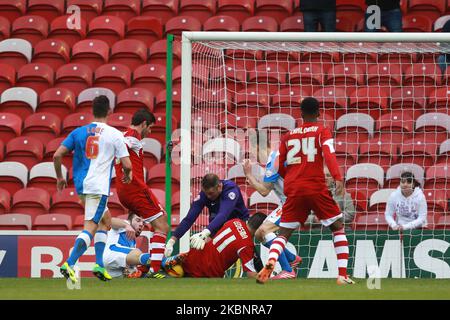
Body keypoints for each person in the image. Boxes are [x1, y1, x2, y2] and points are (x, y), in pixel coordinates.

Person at [257, 97, 355, 285]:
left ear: (301, 114)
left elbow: (279, 166)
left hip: (293, 189)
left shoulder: (288, 136)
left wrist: (293, 177)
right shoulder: (322, 131)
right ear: (318, 113)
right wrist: (337, 177)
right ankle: (342, 275)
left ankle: (271, 263)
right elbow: (329, 154)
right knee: (337, 227)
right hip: (315, 186)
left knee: (284, 234)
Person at [53, 95, 132, 283]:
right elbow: (127, 165)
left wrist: (59, 177)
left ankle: (99, 265)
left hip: (81, 185)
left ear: (92, 111)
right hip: (98, 187)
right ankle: (69, 263)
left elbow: (57, 155)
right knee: (90, 226)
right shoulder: (114, 134)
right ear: (110, 111)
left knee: (106, 222)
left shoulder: (78, 132)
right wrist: (127, 175)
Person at [114, 109, 169, 278]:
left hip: (123, 190)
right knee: (162, 226)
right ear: (144, 124)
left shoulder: (121, 134)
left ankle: (150, 266)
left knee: (161, 218)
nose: (150, 132)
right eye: (150, 127)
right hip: (135, 188)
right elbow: (124, 146)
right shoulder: (132, 135)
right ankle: (154, 270)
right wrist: (127, 170)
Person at [242, 157, 302, 280]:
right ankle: (291, 258)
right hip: (287, 202)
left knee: (264, 230)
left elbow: (264, 191)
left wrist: (248, 174)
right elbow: (266, 187)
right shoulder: (277, 158)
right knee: (260, 233)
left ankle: (287, 270)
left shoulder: (274, 159)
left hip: (295, 201)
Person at [165, 173, 249, 256]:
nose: (208, 196)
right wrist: (172, 240)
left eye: (211, 193)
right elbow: (189, 218)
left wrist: (205, 233)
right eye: (206, 193)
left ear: (219, 187)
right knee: (200, 252)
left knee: (246, 253)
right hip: (217, 227)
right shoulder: (204, 194)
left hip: (240, 225)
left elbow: (223, 214)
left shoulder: (230, 189)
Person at [163, 213, 267, 278]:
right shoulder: (246, 245)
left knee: (171, 267)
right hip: (207, 273)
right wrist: (268, 279)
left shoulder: (235, 221)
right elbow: (251, 275)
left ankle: (153, 264)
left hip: (193, 258)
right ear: (260, 228)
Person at [103, 212, 152, 278]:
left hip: (114, 270)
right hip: (111, 254)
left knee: (139, 271)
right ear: (130, 220)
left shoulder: (133, 241)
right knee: (137, 253)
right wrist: (126, 225)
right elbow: (110, 221)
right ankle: (163, 261)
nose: (141, 224)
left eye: (143, 223)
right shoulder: (125, 224)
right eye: (138, 220)